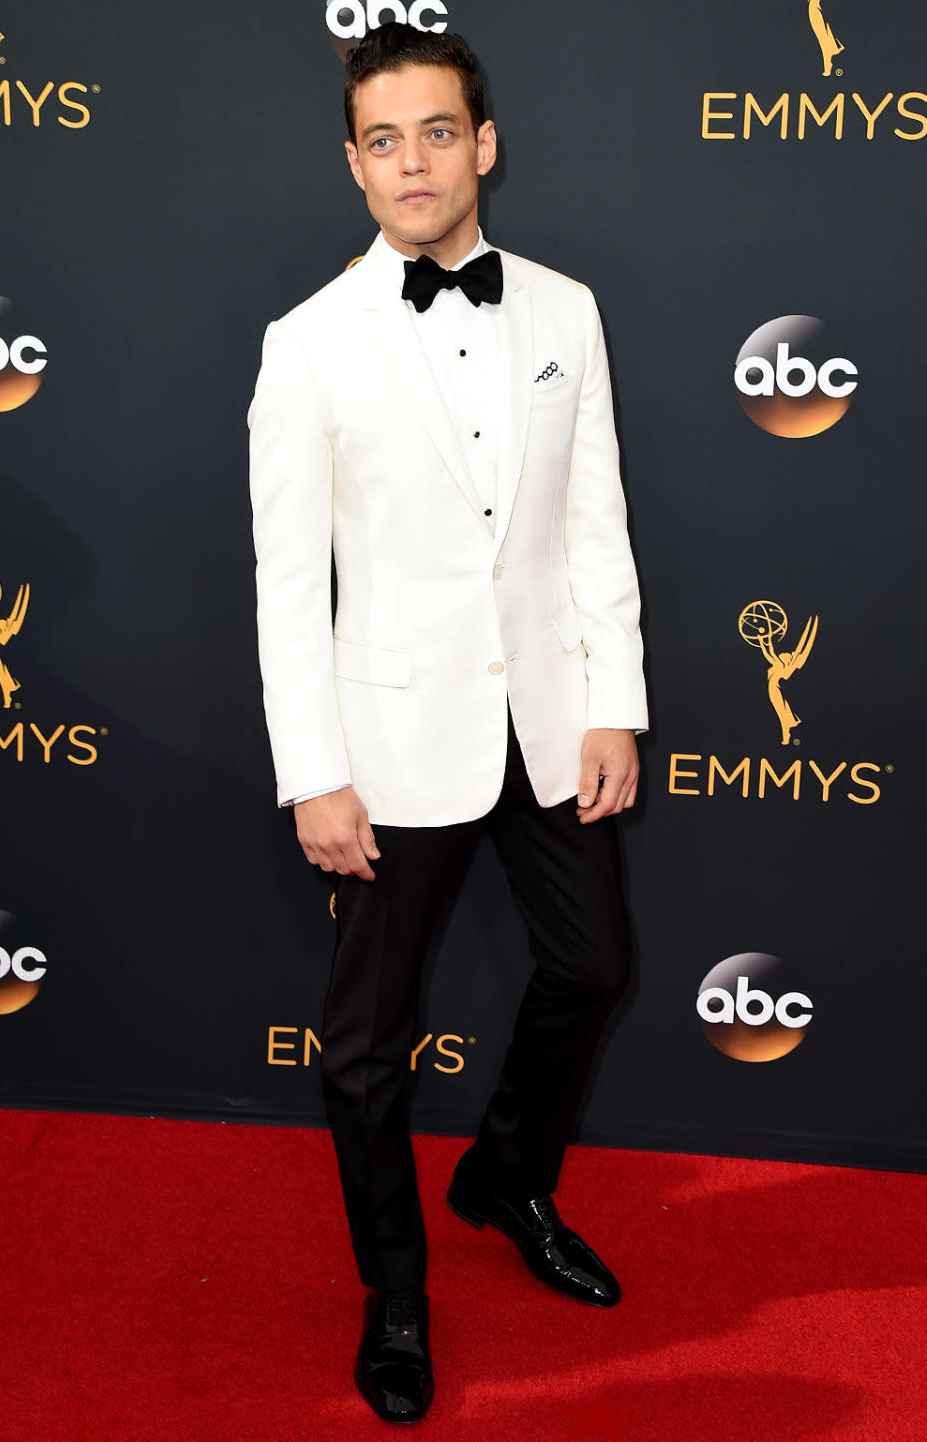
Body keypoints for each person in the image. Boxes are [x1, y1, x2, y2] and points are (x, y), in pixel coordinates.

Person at [247, 21, 648, 1425]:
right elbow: (290, 586)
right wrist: (317, 773)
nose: (409, 160)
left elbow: (595, 519)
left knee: (595, 965)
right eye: (381, 138)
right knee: (362, 1047)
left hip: (545, 719)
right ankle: (396, 1287)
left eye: (435, 131)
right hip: (393, 743)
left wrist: (614, 702)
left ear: (481, 145)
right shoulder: (305, 346)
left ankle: (506, 1173)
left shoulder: (565, 309)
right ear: (352, 164)